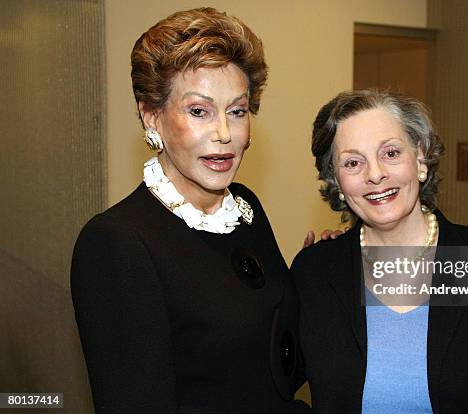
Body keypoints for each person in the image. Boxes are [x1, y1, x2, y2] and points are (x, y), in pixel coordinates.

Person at [71, 7, 308, 413]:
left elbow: (273, 362)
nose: (223, 134)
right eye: (199, 111)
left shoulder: (245, 207)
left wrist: (316, 270)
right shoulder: (117, 241)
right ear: (152, 116)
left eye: (237, 111)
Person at [291, 90, 468, 413]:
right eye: (353, 162)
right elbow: (266, 385)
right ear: (337, 181)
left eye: (391, 153)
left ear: (420, 159)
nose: (375, 174)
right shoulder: (314, 274)